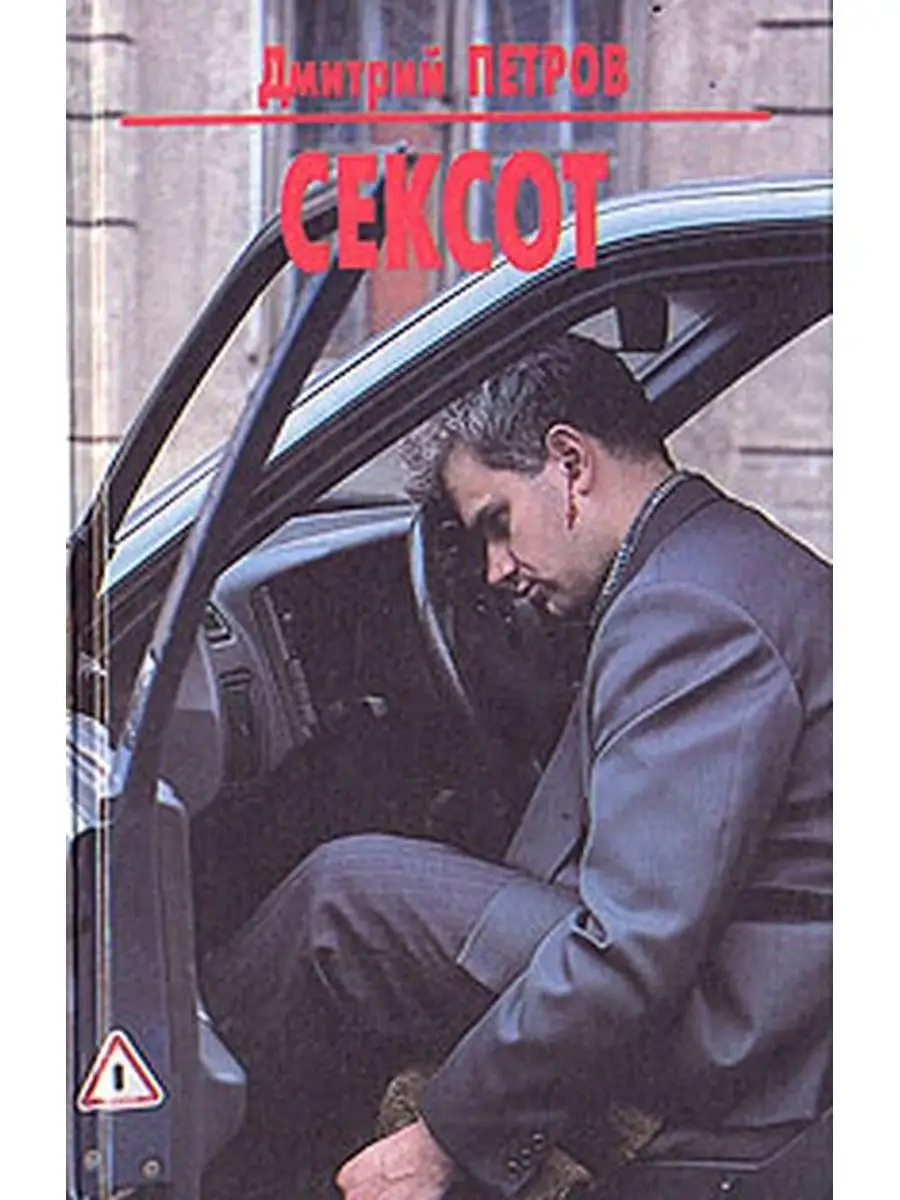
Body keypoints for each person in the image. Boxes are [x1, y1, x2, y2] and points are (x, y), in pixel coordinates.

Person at [201, 335, 831, 1200]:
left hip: (736, 1033)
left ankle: (185, 1150)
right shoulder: (708, 563)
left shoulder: (688, 611)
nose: (495, 570)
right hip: (757, 987)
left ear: (570, 464)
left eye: (496, 523)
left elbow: (632, 948)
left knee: (341, 901)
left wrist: (445, 1139)